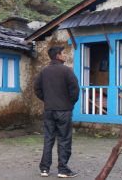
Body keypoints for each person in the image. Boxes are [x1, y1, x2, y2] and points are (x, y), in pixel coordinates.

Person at [34, 46, 80, 178]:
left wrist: (47, 100)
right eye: (63, 53)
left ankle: (44, 169)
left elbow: (37, 89)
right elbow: (75, 90)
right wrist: (70, 103)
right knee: (64, 139)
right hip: (64, 110)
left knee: (48, 138)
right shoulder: (67, 71)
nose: (64, 55)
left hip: (49, 110)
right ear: (58, 56)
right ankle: (63, 170)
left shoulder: (44, 72)